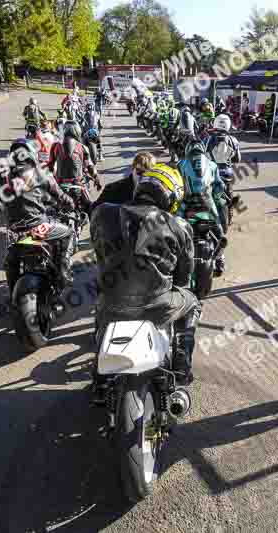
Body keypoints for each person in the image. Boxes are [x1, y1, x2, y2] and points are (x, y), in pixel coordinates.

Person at [91, 163, 201, 388]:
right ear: (171, 198)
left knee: (100, 311)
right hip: (158, 306)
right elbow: (183, 278)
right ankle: (182, 364)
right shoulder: (179, 225)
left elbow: (98, 251)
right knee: (192, 303)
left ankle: (99, 376)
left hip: (111, 304)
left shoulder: (102, 213)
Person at [0, 140, 77, 291]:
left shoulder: (1, 176)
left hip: (15, 232)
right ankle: (63, 273)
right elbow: (59, 195)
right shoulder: (40, 172)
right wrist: (70, 203)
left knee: (11, 262)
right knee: (68, 233)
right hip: (38, 228)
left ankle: (12, 292)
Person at [177, 141, 228, 274]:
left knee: (175, 230)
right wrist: (217, 197)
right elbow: (219, 187)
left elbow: (176, 185)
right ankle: (220, 259)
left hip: (186, 205)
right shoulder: (212, 165)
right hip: (207, 203)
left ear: (187, 151)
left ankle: (174, 261)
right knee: (220, 233)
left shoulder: (180, 164)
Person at [47, 120, 101, 216]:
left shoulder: (55, 146)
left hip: (60, 186)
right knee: (92, 210)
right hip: (78, 186)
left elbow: (50, 166)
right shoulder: (83, 147)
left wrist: (52, 176)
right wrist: (96, 178)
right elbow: (90, 166)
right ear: (77, 131)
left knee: (49, 210)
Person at [204, 114, 243, 214]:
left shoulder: (207, 140)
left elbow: (202, 156)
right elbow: (237, 159)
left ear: (215, 123)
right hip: (227, 174)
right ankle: (230, 209)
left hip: (211, 173)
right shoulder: (233, 140)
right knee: (229, 192)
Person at [91, 151, 155, 209]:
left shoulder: (156, 192)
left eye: (148, 174)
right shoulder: (112, 189)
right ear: (133, 168)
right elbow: (95, 210)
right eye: (140, 172)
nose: (143, 176)